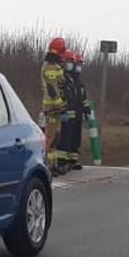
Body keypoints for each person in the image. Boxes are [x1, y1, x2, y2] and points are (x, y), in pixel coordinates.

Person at [40, 37, 77, 174]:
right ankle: (45, 164)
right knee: (50, 137)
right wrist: (60, 104)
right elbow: (52, 88)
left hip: (57, 107)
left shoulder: (55, 65)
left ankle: (52, 164)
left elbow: (62, 85)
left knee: (55, 137)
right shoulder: (50, 66)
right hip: (52, 107)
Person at [61, 49, 89, 171]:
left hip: (77, 115)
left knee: (75, 138)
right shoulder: (66, 80)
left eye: (79, 65)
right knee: (66, 138)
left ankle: (72, 161)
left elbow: (83, 98)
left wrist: (86, 109)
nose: (78, 67)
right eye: (76, 64)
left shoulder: (78, 83)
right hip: (68, 114)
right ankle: (63, 162)